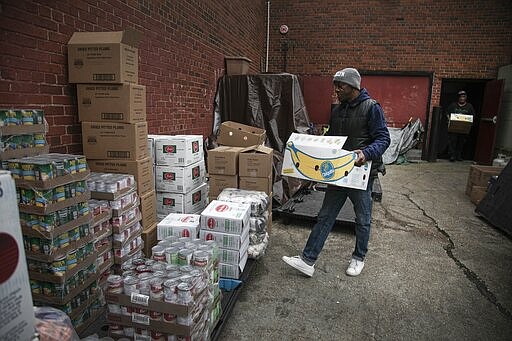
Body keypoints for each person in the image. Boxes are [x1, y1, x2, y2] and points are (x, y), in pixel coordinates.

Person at [282, 68, 390, 277]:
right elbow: (332, 138)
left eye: (340, 86)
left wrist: (365, 154)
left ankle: (358, 258)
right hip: (338, 173)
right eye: (335, 86)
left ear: (353, 87)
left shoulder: (371, 108)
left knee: (362, 218)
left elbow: (383, 138)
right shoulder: (338, 110)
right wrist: (312, 146)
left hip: (360, 174)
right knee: (326, 216)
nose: (336, 90)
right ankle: (308, 260)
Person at [446, 90, 475, 161]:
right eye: (461, 97)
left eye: (464, 97)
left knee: (461, 142)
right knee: (453, 141)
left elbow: (472, 116)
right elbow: (447, 113)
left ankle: (458, 156)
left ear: (466, 98)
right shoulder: (453, 105)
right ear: (458, 98)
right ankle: (452, 156)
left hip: (463, 128)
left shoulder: (469, 106)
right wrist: (449, 119)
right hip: (454, 127)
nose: (462, 98)